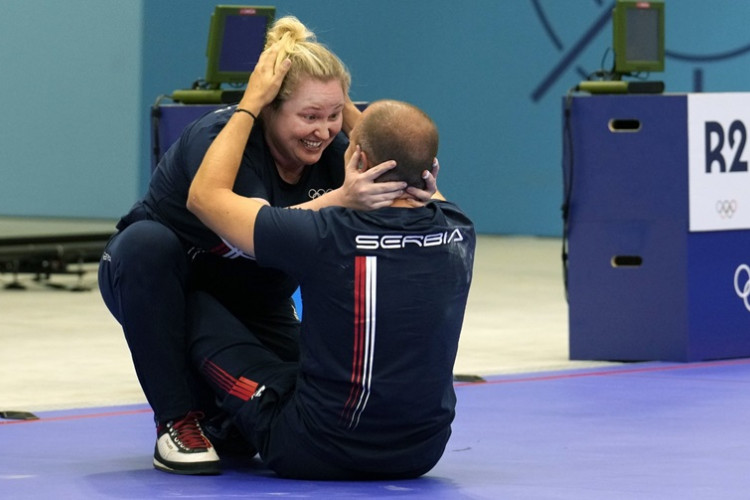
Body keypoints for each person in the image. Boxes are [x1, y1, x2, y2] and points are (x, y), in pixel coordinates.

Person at [98, 16, 435, 475]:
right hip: (163, 282)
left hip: (255, 296)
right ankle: (176, 422)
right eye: (309, 116)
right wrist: (252, 103)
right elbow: (256, 230)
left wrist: (363, 132)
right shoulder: (220, 139)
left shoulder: (338, 152)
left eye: (333, 114)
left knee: (295, 400)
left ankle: (221, 422)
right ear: (271, 110)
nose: (322, 130)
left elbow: (413, 187)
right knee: (146, 244)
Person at [185, 39, 476, 480]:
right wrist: (346, 110)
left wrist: (250, 104)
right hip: (422, 452)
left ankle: (194, 422)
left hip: (313, 450)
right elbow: (408, 161)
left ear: (357, 155)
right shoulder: (460, 229)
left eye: (336, 120)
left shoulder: (327, 233)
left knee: (186, 296)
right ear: (430, 170)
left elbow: (205, 198)